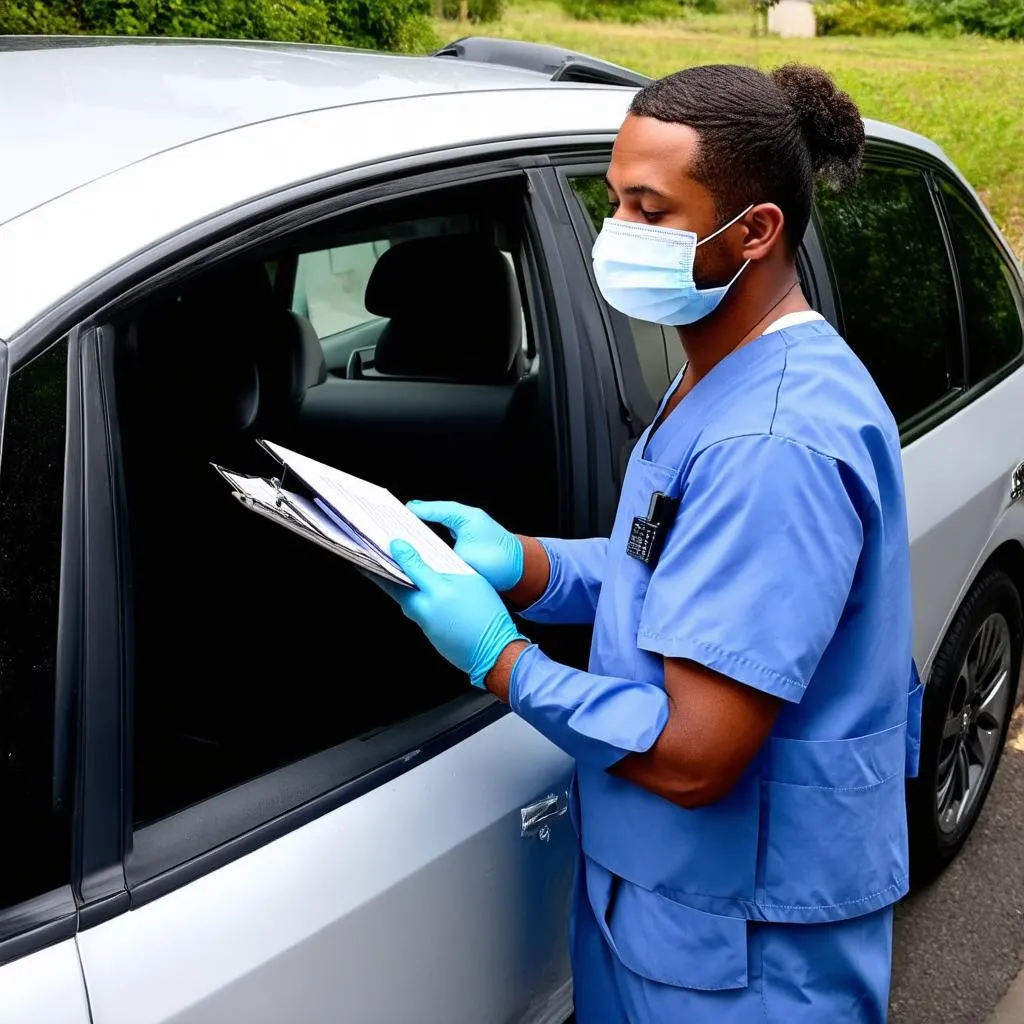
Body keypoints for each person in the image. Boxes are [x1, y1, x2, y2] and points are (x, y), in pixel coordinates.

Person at [376, 63, 922, 1023]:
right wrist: (525, 563)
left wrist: (496, 658)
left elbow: (693, 756)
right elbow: (666, 567)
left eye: (650, 209)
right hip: (667, 913)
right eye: (614, 199)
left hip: (743, 955)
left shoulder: (774, 445)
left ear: (755, 232)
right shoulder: (729, 369)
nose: (615, 235)